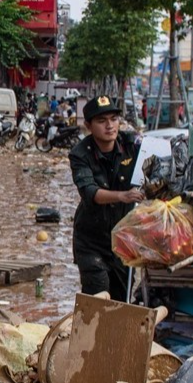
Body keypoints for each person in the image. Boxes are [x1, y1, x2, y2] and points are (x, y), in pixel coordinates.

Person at [69, 95, 142, 298]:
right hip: (91, 240)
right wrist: (122, 196)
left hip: (124, 239)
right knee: (98, 298)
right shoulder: (80, 154)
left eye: (113, 119)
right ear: (88, 126)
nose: (110, 126)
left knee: (123, 299)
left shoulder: (132, 144)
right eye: (102, 121)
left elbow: (156, 161)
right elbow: (90, 192)